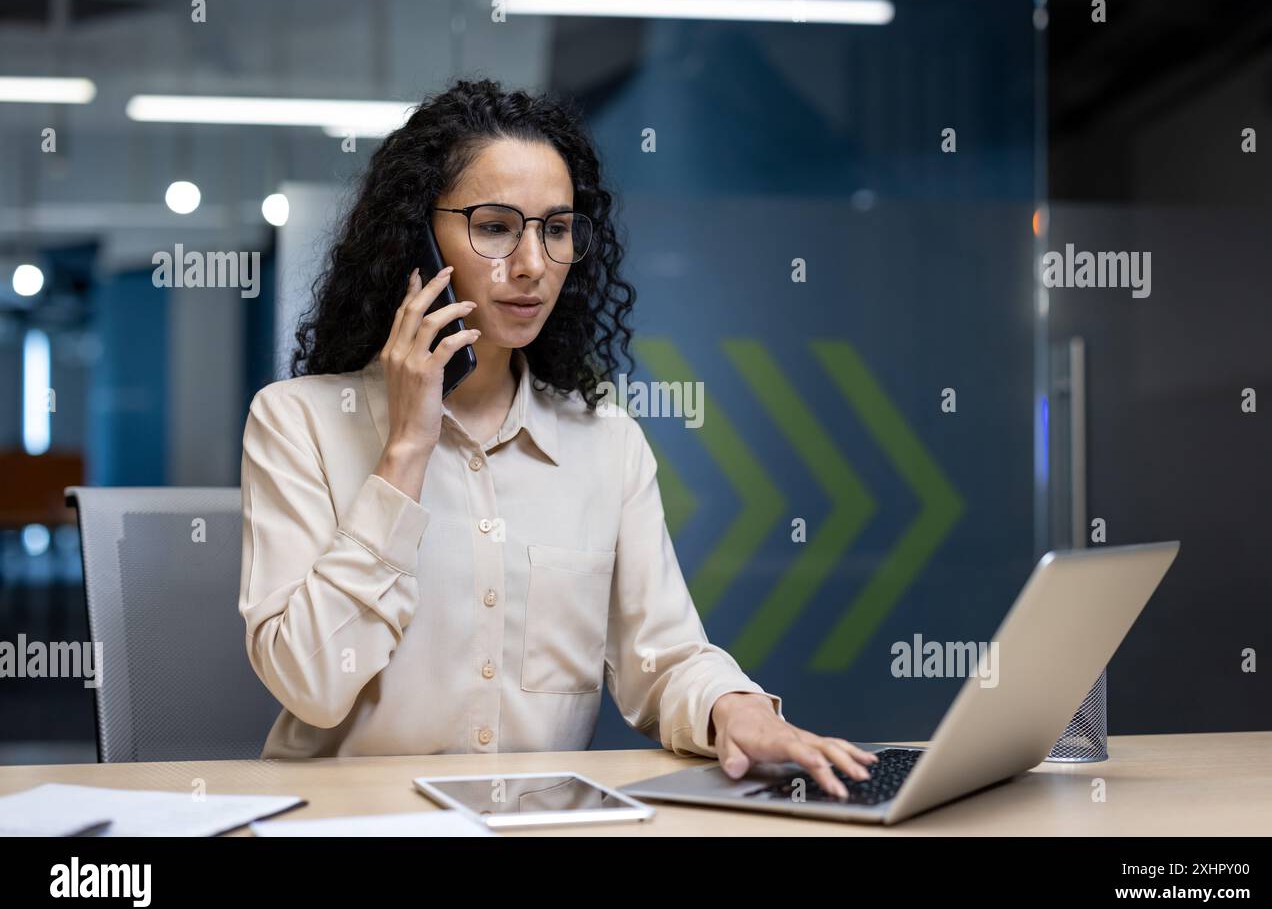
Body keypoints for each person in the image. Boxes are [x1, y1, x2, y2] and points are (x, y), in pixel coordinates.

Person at [237, 78, 874, 798]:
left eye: (556, 228)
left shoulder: (606, 443)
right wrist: (406, 451)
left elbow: (662, 658)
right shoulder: (297, 422)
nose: (534, 264)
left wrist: (736, 706)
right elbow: (312, 684)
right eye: (496, 225)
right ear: (414, 238)